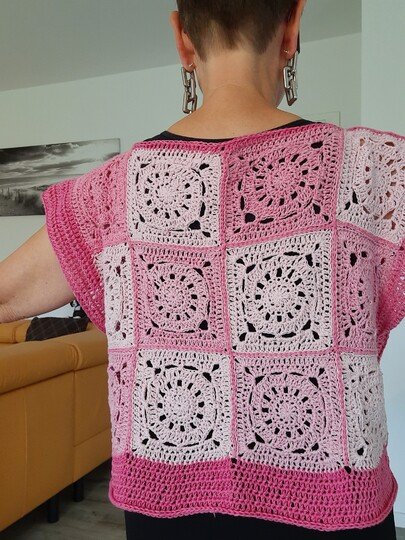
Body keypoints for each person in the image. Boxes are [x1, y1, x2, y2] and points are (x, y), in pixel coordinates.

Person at [0, 1, 403, 538]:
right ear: (292, 25)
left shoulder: (113, 192)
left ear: (182, 40)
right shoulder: (374, 168)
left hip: (174, 506)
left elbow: (5, 295)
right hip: (338, 498)